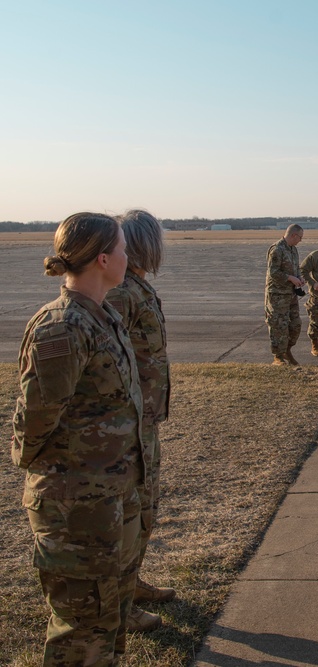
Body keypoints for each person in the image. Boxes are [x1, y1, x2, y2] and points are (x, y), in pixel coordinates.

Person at [12, 212, 147, 664]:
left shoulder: (103, 314)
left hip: (112, 493)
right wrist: (59, 486)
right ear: (102, 258)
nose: (130, 258)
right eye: (124, 250)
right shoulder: (63, 327)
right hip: (77, 504)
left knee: (110, 611)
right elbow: (35, 421)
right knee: (82, 625)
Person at [105, 210, 173, 634]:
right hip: (125, 425)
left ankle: (131, 583)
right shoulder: (121, 293)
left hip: (144, 420)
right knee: (129, 514)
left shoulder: (138, 287)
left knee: (146, 509)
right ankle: (119, 605)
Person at [265, 224, 306, 365]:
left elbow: (297, 268)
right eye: (299, 237)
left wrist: (299, 278)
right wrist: (289, 278)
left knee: (296, 325)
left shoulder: (293, 250)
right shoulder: (277, 249)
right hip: (277, 295)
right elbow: (273, 272)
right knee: (279, 326)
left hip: (291, 294)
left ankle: (287, 350)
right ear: (293, 235)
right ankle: (278, 355)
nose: (300, 240)